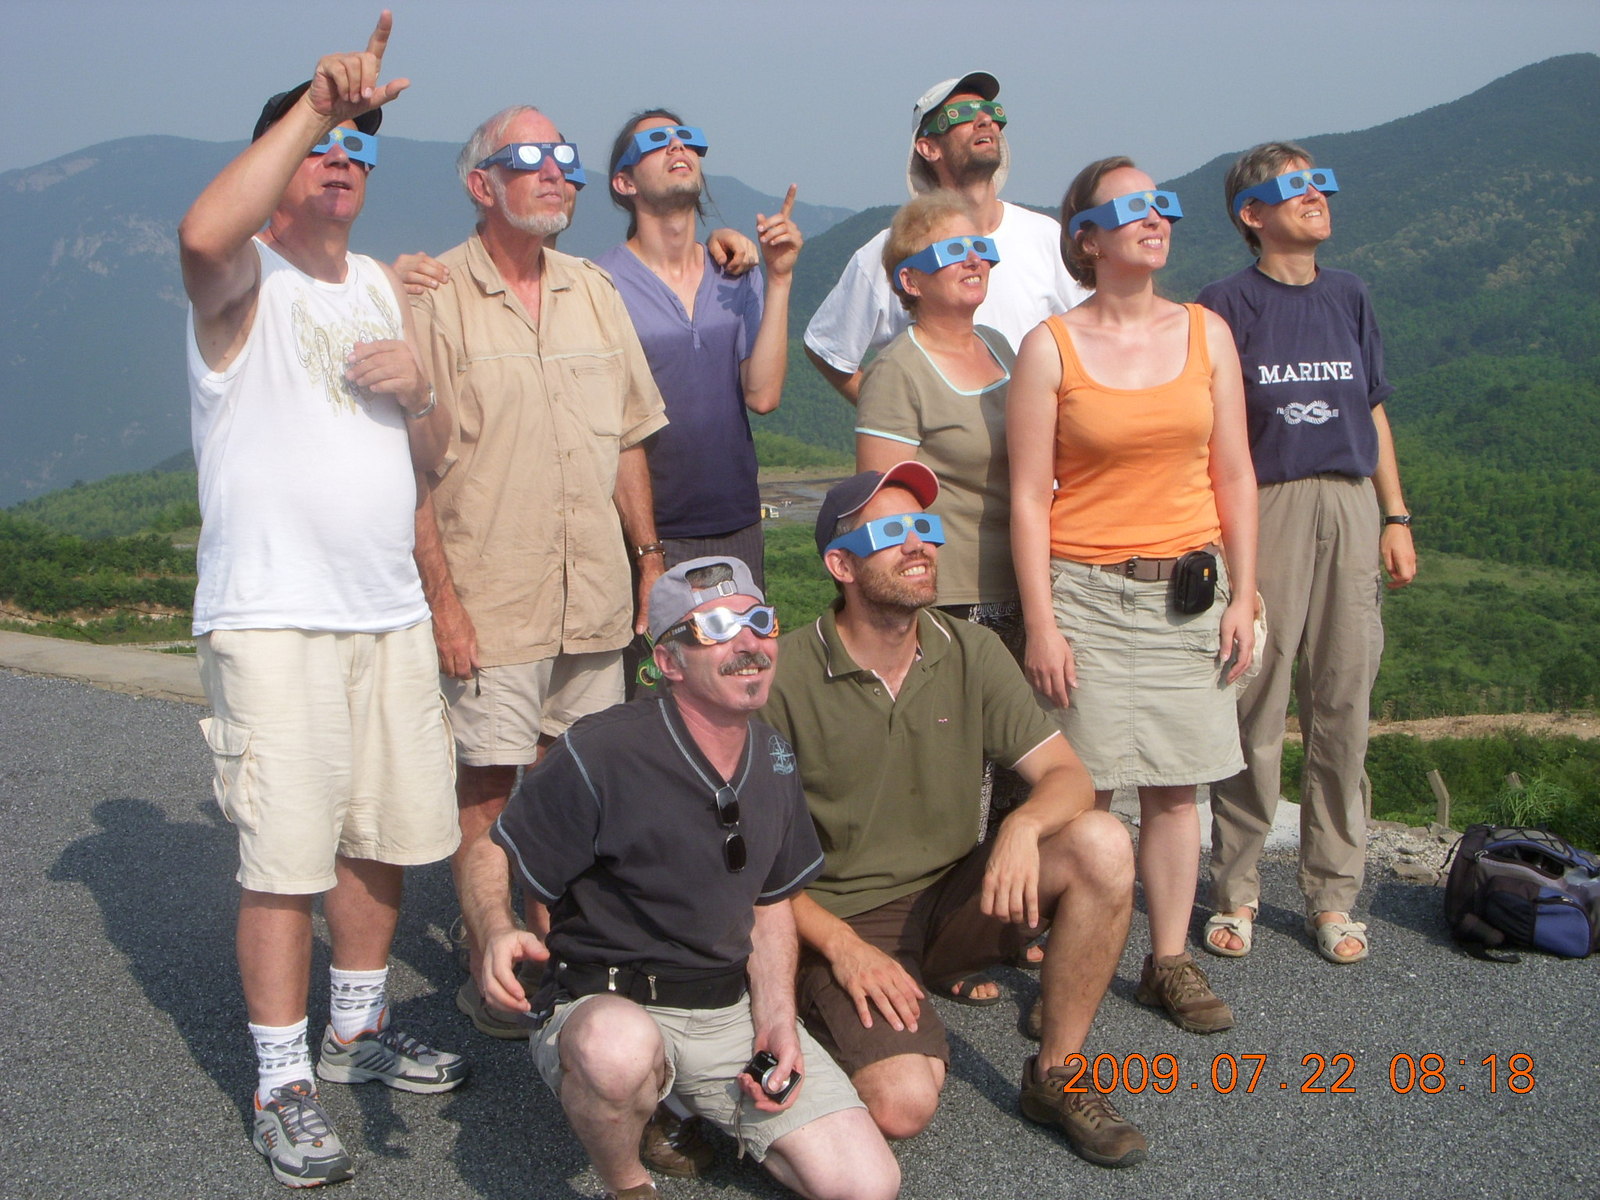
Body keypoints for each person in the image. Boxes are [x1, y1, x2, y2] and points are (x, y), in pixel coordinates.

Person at [178, 13, 465, 1187]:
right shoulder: (245, 281)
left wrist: (424, 387)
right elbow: (201, 232)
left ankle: (354, 1028)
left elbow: (430, 459)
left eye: (360, 148)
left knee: (383, 836)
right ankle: (282, 1078)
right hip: (274, 612)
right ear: (281, 164)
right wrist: (314, 103)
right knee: (286, 855)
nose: (344, 159)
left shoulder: (382, 290)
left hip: (384, 611)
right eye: (323, 147)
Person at [459, 557, 902, 1200]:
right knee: (617, 1051)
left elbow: (771, 904)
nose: (749, 643)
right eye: (717, 628)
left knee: (867, 1184)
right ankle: (628, 1181)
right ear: (669, 662)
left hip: (723, 1011)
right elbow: (491, 850)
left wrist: (777, 1022)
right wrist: (497, 929)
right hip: (609, 1001)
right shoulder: (602, 750)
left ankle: (679, 1100)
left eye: (760, 621)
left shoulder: (774, 757)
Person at [762, 464, 1147, 1170]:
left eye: (925, 527)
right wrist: (841, 948)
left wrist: (1022, 828)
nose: (919, 545)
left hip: (951, 896)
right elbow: (749, 869)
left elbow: (1068, 777)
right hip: (843, 916)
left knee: (1101, 841)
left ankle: (1057, 1075)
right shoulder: (784, 677)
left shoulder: (968, 650)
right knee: (904, 1103)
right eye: (891, 532)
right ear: (841, 565)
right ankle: (786, 1031)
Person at [406, 105, 670, 1041]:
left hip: (594, 595)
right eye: (531, 157)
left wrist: (649, 560)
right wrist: (443, 603)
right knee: (488, 792)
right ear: (481, 184)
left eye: (565, 157)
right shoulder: (434, 298)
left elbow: (630, 437)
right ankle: (494, 961)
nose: (557, 171)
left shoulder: (593, 291)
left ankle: (559, 952)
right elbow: (411, 472)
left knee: (578, 786)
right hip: (493, 597)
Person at [1007, 158, 1259, 1037]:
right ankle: (1073, 968)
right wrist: (1041, 622)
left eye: (1164, 205)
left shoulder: (1206, 333)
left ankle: (1169, 961)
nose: (1158, 219)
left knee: (1177, 790)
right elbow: (1028, 498)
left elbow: (1235, 472)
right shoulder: (1051, 348)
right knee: (1086, 794)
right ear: (1088, 237)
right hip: (1084, 595)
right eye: (1135, 208)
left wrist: (1245, 594)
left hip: (1189, 593)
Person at [1198, 143, 1417, 966]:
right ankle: (1237, 887)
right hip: (1266, 503)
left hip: (1351, 501)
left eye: (1319, 181)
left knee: (1344, 701)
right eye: (1293, 185)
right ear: (1252, 214)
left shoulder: (1349, 294)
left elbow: (1373, 408)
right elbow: (1207, 430)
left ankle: (1333, 893)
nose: (1316, 194)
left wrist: (1395, 515)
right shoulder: (1223, 305)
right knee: (1254, 698)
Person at [598, 109, 803, 586]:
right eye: (654, 142)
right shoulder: (601, 284)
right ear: (624, 183)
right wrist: (645, 548)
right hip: (645, 533)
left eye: (687, 138)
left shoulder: (736, 272)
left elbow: (763, 395)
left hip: (738, 523)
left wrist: (779, 277)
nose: (677, 147)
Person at [804, 71, 1088, 404]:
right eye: (962, 114)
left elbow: (1092, 335)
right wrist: (895, 415)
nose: (985, 120)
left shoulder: (1047, 237)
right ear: (928, 147)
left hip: (1038, 435)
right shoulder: (892, 250)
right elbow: (827, 350)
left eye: (992, 112)